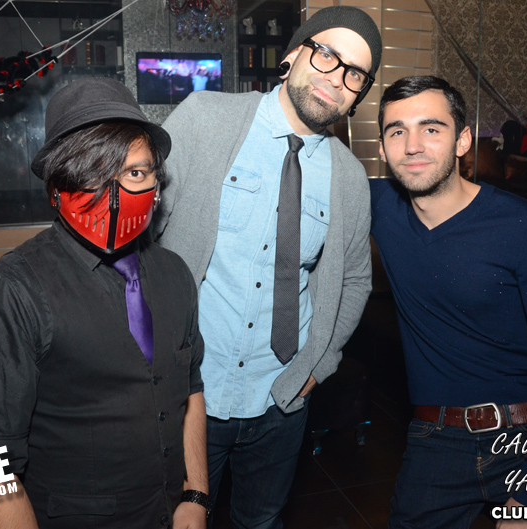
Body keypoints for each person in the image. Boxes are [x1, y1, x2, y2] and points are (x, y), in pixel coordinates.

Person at [154, 6, 382, 528]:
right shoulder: (205, 117)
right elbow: (143, 232)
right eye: (327, 55)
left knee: (262, 522)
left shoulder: (350, 178)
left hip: (281, 399)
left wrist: (317, 368)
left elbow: (354, 280)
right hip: (189, 394)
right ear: (293, 54)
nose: (337, 78)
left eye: (355, 74)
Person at [0, 78, 209, 529]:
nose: (115, 197)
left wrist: (196, 494)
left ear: (157, 183)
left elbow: (191, 390)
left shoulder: (176, 274)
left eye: (135, 173)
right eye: (93, 173)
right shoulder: (6, 294)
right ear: (56, 185)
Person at [370, 75, 527, 528]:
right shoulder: (376, 206)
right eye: (397, 131)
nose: (412, 145)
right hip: (436, 439)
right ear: (382, 149)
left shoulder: (525, 225)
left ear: (463, 140)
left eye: (431, 128)